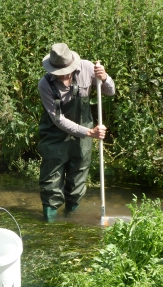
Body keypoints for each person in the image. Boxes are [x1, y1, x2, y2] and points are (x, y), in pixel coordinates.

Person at [38, 43, 115, 222]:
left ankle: (71, 222)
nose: (61, 75)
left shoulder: (87, 68)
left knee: (78, 179)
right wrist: (89, 132)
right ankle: (49, 225)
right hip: (54, 136)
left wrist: (104, 78)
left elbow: (110, 92)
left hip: (82, 137)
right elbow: (58, 120)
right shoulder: (45, 84)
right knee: (51, 182)